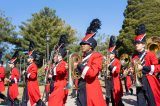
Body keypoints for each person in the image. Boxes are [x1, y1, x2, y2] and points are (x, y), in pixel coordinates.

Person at [75, 19, 106, 106]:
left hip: (90, 88)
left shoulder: (97, 56)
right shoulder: (81, 57)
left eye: (84, 44)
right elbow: (78, 74)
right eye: (81, 44)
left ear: (91, 45)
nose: (82, 46)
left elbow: (92, 73)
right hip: (81, 87)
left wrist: (79, 65)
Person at [132, 24, 160, 106]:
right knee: (140, 103)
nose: (136, 45)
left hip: (149, 81)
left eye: (138, 43)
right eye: (135, 43)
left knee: (152, 102)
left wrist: (143, 67)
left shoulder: (150, 54)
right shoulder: (135, 56)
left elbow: (158, 67)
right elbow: (134, 69)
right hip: (139, 82)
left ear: (143, 45)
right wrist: (132, 70)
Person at [23, 41, 45, 106]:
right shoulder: (30, 65)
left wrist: (25, 73)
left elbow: (33, 76)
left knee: (37, 99)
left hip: (32, 85)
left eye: (29, 57)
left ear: (32, 59)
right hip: (29, 84)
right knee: (25, 99)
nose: (27, 58)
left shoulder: (33, 65)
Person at [48, 34, 68, 106]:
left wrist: (53, 69)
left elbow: (61, 71)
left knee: (55, 103)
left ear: (60, 56)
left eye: (55, 55)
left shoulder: (63, 63)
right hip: (56, 84)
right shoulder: (57, 64)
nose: (54, 57)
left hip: (61, 85)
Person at [106, 35, 124, 106]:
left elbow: (117, 70)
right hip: (108, 80)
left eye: (111, 54)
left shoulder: (117, 61)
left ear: (114, 54)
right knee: (109, 96)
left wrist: (110, 67)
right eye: (109, 54)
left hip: (115, 80)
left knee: (116, 98)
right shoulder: (107, 61)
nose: (109, 55)